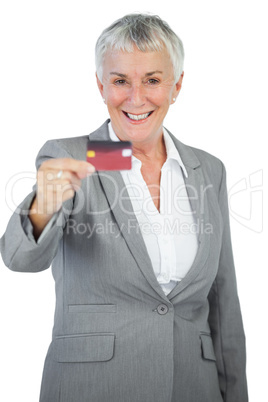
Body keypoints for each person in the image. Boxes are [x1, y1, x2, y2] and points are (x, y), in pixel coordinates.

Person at [0, 13, 248, 402]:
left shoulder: (207, 169)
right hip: (97, 387)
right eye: (120, 81)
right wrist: (42, 206)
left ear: (177, 85)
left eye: (152, 80)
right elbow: (20, 259)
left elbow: (223, 300)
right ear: (101, 85)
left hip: (193, 389)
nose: (136, 98)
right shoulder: (77, 156)